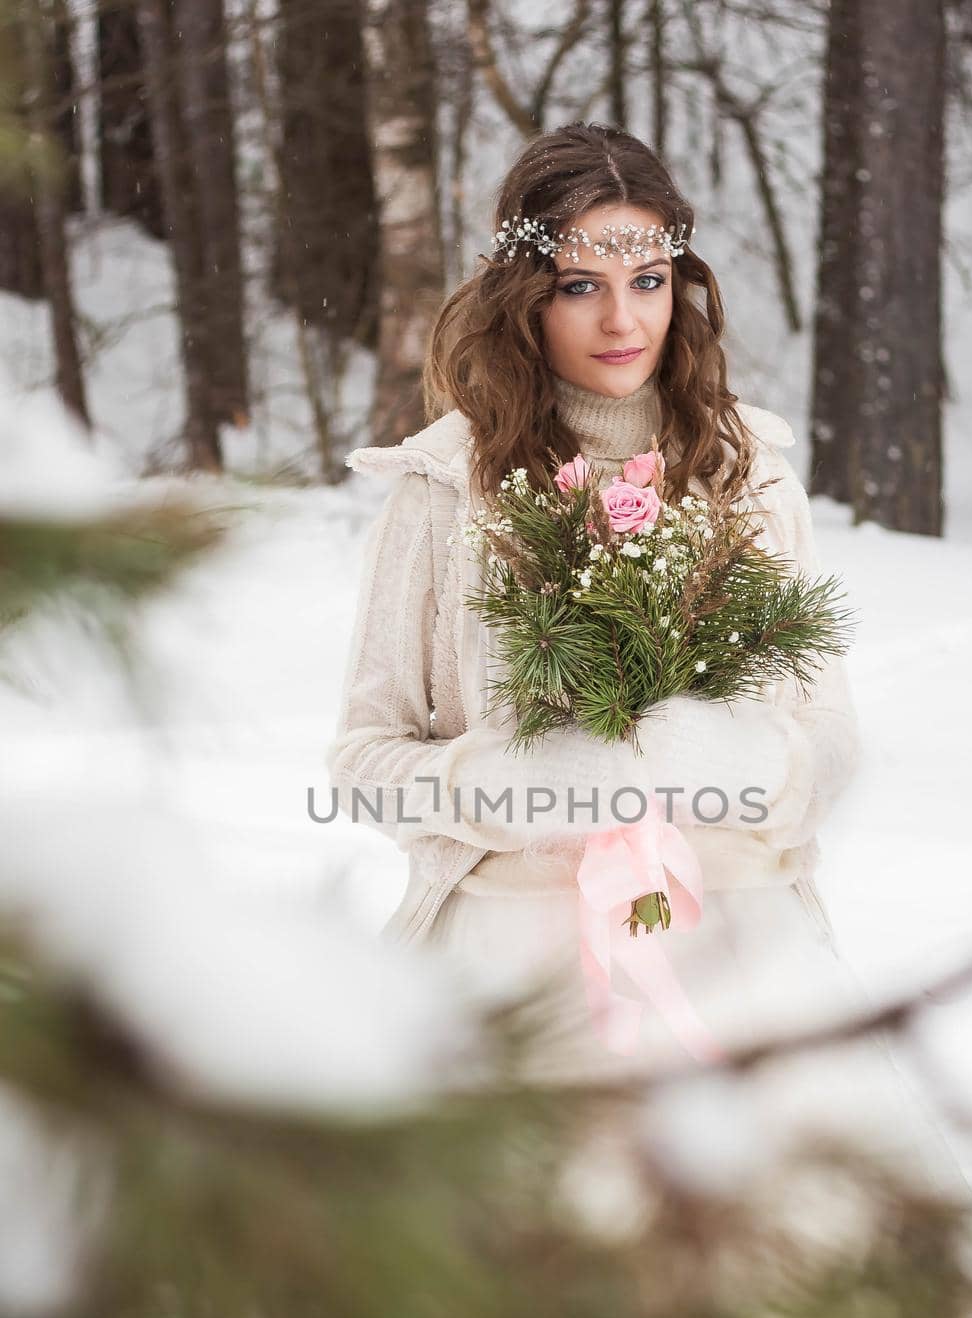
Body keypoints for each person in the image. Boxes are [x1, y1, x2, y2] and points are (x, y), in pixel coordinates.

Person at [326, 120, 868, 1075]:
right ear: (526, 301)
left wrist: (751, 760)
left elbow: (830, 736)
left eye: (647, 282)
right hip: (512, 982)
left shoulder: (750, 475)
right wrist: (493, 786)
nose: (624, 322)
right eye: (583, 288)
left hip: (732, 960)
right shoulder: (445, 489)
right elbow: (361, 760)